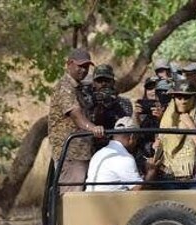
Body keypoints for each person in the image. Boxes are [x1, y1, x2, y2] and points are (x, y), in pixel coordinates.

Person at [49, 47, 106, 191]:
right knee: (71, 199)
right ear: (69, 64)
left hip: (80, 153)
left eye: (86, 67)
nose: (84, 70)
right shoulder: (65, 87)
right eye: (80, 66)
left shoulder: (78, 88)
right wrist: (93, 128)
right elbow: (76, 115)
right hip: (71, 155)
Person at [156, 79, 196, 181]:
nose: (183, 101)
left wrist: (190, 124)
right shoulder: (168, 119)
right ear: (174, 99)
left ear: (195, 98)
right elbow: (160, 140)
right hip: (170, 171)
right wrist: (157, 144)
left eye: (187, 97)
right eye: (179, 97)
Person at [85, 116, 157, 191]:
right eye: (137, 139)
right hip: (111, 201)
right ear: (132, 137)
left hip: (91, 198)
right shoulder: (124, 158)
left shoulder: (98, 153)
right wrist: (151, 172)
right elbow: (139, 192)